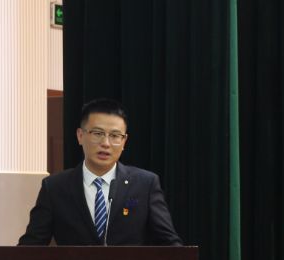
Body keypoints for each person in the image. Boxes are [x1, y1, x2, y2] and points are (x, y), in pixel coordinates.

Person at [18, 98, 182, 246]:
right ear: (80, 136)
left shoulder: (145, 184)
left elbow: (170, 245)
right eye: (97, 133)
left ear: (124, 141)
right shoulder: (54, 187)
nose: (106, 143)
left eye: (115, 135)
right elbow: (31, 248)